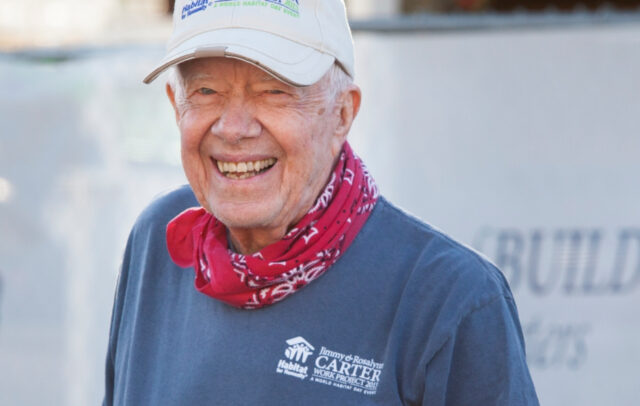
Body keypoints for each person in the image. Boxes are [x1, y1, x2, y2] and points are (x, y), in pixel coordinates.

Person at [103, 0, 539, 404]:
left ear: (342, 114)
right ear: (174, 106)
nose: (233, 128)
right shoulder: (158, 242)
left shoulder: (450, 299)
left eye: (273, 91)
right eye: (205, 92)